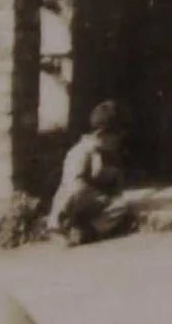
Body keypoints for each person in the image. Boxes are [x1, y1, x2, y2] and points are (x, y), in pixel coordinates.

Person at [48, 99, 139, 245]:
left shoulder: (105, 153)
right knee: (75, 191)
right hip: (75, 198)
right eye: (114, 139)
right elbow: (74, 181)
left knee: (119, 205)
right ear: (101, 134)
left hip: (91, 202)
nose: (116, 144)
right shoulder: (83, 150)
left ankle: (85, 230)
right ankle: (61, 226)